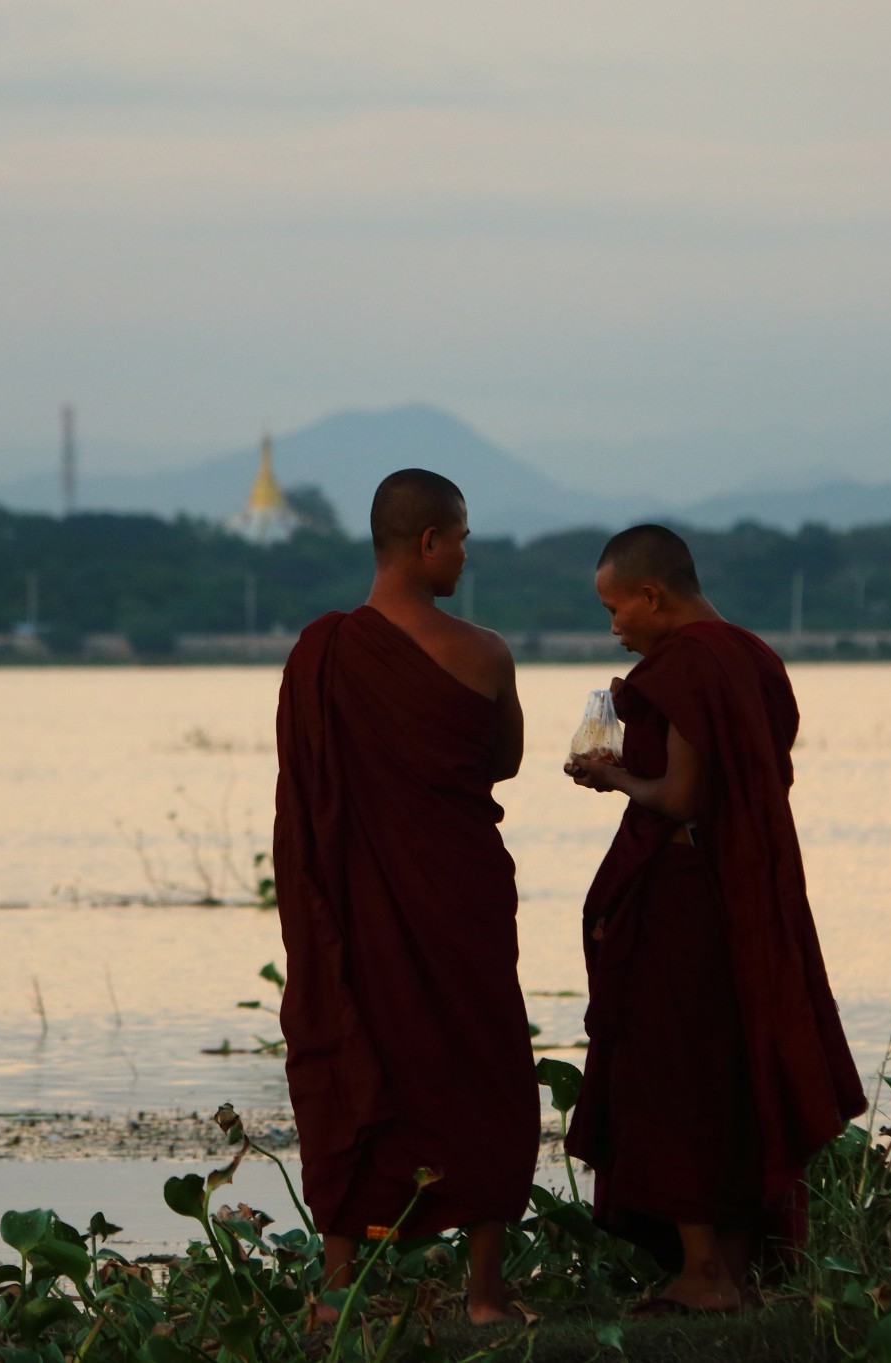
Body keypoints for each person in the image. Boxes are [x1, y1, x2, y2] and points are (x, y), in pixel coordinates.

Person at [561, 524, 864, 1313]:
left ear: (653, 595)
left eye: (616, 607)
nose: (614, 625)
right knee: (732, 1063)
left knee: (674, 1069)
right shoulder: (754, 656)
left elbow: (684, 796)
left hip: (688, 896)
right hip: (747, 888)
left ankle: (701, 1269)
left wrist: (615, 775)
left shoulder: (689, 666)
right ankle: (729, 1264)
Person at [272, 468, 538, 1325]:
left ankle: (340, 1283)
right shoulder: (484, 651)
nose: (466, 552)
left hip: (358, 907)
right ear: (429, 542)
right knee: (487, 1065)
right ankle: (486, 1294)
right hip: (458, 897)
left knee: (355, 1052)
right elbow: (501, 762)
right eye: (460, 537)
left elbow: (311, 788)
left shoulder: (321, 652)